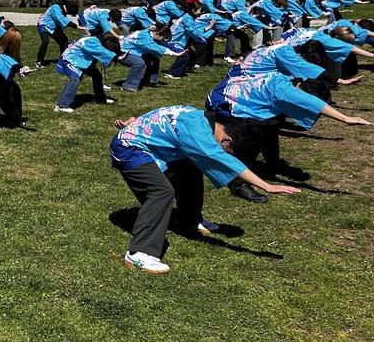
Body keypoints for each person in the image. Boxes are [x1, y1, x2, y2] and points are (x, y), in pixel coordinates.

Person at [111, 106, 300, 274]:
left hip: (146, 144)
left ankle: (189, 220)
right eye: (227, 150)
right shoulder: (198, 134)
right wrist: (267, 186)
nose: (224, 152)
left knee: (191, 167)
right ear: (227, 139)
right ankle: (138, 252)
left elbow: (160, 118)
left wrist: (134, 122)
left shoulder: (200, 118)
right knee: (161, 192)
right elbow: (226, 162)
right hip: (128, 149)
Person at [206, 71, 373, 200]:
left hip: (231, 92)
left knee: (271, 125)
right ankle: (237, 182)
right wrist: (346, 118)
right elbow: (312, 103)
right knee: (251, 137)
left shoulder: (291, 80)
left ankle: (273, 163)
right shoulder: (285, 90)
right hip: (223, 101)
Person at [53, 34, 121, 112]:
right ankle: (62, 105)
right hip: (71, 59)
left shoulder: (97, 42)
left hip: (82, 60)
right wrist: (117, 57)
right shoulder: (93, 43)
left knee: (97, 75)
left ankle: (101, 99)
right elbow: (102, 52)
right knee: (75, 80)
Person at [120, 26, 185, 89]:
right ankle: (129, 86)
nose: (162, 42)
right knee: (139, 63)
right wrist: (174, 53)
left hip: (132, 52)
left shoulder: (149, 33)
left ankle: (150, 81)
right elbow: (153, 47)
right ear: (157, 34)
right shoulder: (143, 36)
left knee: (154, 58)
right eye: (163, 39)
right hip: (123, 52)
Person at [35, 0, 83, 67]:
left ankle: (63, 59)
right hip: (44, 25)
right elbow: (61, 19)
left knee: (64, 40)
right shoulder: (55, 7)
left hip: (54, 28)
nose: (69, 14)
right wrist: (76, 26)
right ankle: (39, 61)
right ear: (67, 9)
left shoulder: (64, 9)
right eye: (69, 13)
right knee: (45, 41)